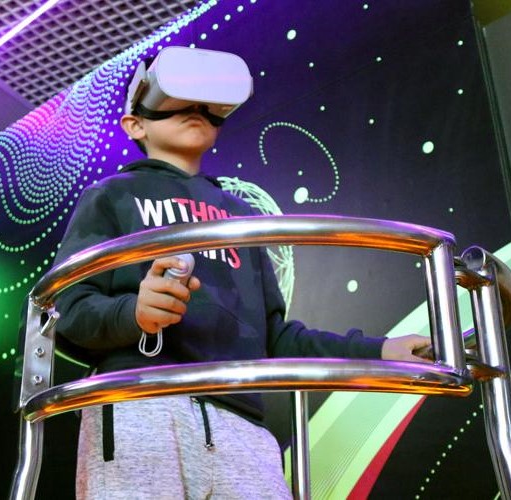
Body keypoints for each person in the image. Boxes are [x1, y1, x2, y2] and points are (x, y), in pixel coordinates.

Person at [52, 47, 431, 499]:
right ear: (135, 124)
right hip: (140, 404)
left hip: (242, 423)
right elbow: (66, 310)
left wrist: (381, 351)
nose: (194, 108)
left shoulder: (243, 217)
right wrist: (135, 313)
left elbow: (276, 338)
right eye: (175, 99)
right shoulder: (110, 195)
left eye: (205, 103)